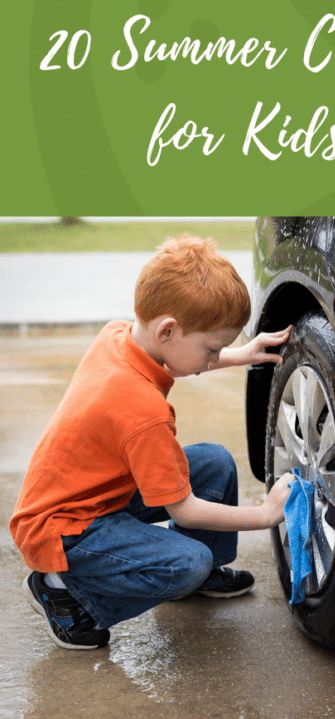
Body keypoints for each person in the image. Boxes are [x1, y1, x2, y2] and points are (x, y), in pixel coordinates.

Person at [10, 234, 294, 650]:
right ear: (168, 329)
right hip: (64, 529)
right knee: (189, 563)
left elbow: (180, 357)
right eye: (212, 350)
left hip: (93, 493)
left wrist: (242, 353)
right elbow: (187, 510)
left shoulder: (118, 336)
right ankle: (66, 595)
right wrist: (267, 514)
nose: (214, 360)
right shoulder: (142, 411)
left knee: (213, 462)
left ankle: (200, 573)